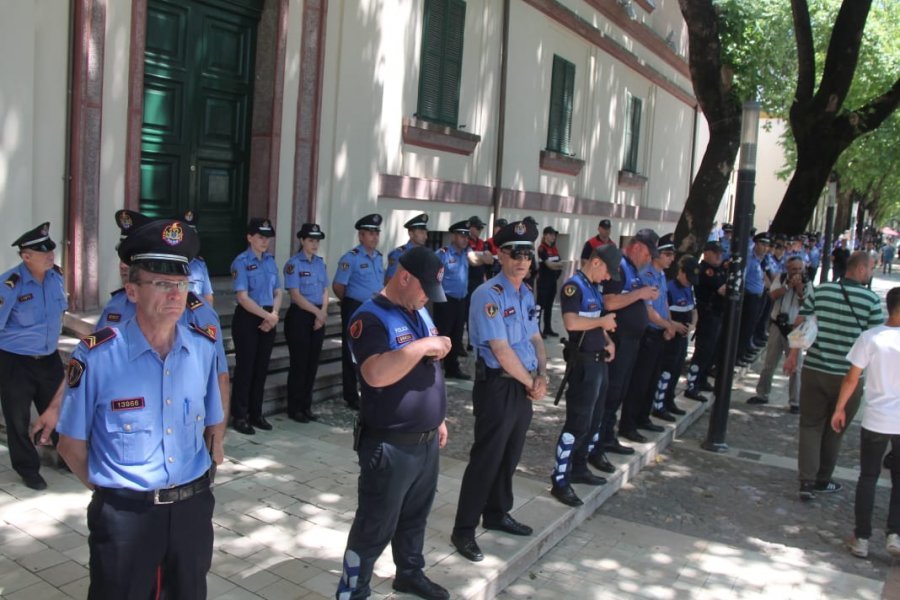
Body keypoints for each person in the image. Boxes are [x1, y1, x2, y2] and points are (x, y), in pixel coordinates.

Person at [55, 218, 224, 598]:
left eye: (181, 283)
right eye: (162, 283)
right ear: (131, 291)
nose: (175, 294)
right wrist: (118, 496)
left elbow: (213, 423)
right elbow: (70, 445)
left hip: (191, 510)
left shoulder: (202, 347)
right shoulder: (97, 356)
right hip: (126, 516)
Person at [336, 246, 451, 600]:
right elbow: (374, 373)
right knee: (374, 525)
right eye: (424, 289)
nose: (427, 299)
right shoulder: (368, 317)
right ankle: (352, 590)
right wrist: (421, 347)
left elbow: (430, 371)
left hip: (426, 440)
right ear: (404, 277)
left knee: (415, 516)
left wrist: (439, 417)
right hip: (390, 445)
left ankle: (409, 573)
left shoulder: (416, 309)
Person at [452, 219, 546, 563]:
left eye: (527, 254)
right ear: (500, 256)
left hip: (523, 385)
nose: (522, 260)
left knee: (511, 454)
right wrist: (530, 381)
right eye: (514, 253)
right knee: (487, 457)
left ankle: (497, 512)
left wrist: (542, 375)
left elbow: (535, 337)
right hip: (497, 387)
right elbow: (501, 350)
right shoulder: (487, 295)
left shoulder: (526, 293)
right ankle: (463, 529)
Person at [784, 251, 884, 501]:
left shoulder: (821, 291)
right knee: (835, 428)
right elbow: (876, 341)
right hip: (848, 377)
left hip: (815, 369)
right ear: (861, 269)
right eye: (870, 269)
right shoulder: (871, 301)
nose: (871, 273)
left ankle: (806, 480)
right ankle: (822, 479)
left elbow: (800, 321)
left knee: (810, 425)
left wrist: (793, 356)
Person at [549, 244, 619, 507]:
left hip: (599, 361)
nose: (609, 278)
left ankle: (579, 467)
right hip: (583, 365)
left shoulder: (593, 287)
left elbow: (597, 318)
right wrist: (601, 324)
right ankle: (560, 479)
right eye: (608, 271)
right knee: (577, 422)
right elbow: (571, 323)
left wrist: (606, 339)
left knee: (594, 419)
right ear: (597, 262)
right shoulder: (574, 286)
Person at [0, 222, 67, 490]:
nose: (51, 255)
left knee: (61, 410)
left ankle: (68, 458)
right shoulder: (10, 285)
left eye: (50, 249)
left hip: (49, 358)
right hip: (16, 361)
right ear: (26, 256)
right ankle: (28, 469)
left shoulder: (56, 277)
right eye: (43, 252)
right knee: (17, 418)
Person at [834, 287, 900, 559]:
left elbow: (852, 377)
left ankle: (861, 537)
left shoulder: (871, 338)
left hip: (875, 418)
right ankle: (895, 534)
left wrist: (840, 408)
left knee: (868, 477)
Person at [594, 230, 661, 455]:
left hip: (630, 341)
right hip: (618, 339)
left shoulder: (631, 269)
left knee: (620, 390)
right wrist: (640, 294)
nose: (649, 260)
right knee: (611, 391)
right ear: (638, 248)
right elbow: (610, 301)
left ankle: (608, 435)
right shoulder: (620, 267)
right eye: (648, 255)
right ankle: (600, 441)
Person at [618, 233, 681, 442]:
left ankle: (642, 417)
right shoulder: (645, 275)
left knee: (651, 379)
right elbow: (648, 310)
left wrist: (669, 324)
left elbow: (663, 305)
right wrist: (668, 325)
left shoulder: (661, 276)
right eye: (667, 254)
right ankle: (629, 424)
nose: (671, 259)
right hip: (649, 333)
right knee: (638, 381)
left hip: (660, 332)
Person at [230, 218, 282, 434]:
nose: (264, 241)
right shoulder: (240, 262)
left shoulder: (270, 261)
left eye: (267, 237)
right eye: (260, 237)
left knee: (261, 369)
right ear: (249, 237)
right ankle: (240, 416)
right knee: (246, 368)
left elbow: (278, 291)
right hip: (248, 318)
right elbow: (242, 297)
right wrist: (267, 316)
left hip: (269, 316)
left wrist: (274, 314)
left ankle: (256, 413)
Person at [747, 256, 813, 412]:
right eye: (793, 269)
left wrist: (799, 289)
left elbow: (808, 305)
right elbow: (772, 296)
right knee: (769, 362)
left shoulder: (808, 283)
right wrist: (788, 285)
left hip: (795, 328)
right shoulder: (781, 278)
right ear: (787, 269)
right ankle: (762, 393)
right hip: (777, 325)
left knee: (796, 366)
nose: (797, 272)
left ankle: (795, 401)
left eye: (799, 269)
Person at [333, 214, 384, 410]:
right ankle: (351, 395)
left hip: (375, 308)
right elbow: (338, 286)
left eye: (376, 233)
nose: (374, 237)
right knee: (351, 351)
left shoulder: (378, 258)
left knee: (372, 349)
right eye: (370, 233)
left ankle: (370, 389)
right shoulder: (350, 258)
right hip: (355, 307)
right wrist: (350, 302)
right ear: (361, 236)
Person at [284, 223, 329, 422]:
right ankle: (294, 408)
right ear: (302, 240)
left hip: (318, 315)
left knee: (312, 364)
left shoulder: (320, 263)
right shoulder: (294, 264)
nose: (314, 244)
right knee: (299, 364)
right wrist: (317, 313)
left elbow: (325, 290)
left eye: (317, 241)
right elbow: (295, 295)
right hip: (301, 316)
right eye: (310, 240)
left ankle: (306, 406)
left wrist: (323, 312)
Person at [434, 220, 487, 380]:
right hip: (445, 301)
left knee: (456, 336)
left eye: (467, 237)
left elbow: (478, 259)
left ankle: (452, 368)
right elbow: (434, 278)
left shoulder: (466, 254)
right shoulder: (443, 254)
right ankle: (435, 366)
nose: (465, 240)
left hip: (461, 300)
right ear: (453, 236)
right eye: (462, 236)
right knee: (442, 334)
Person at [651, 254, 699, 421]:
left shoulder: (689, 288)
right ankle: (659, 404)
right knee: (666, 371)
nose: (689, 281)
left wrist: (692, 324)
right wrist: (673, 325)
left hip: (683, 337)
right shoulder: (670, 287)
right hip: (671, 336)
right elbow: (664, 310)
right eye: (688, 277)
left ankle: (669, 400)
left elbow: (694, 310)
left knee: (677, 369)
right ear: (681, 272)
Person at [684, 241, 727, 402]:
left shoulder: (719, 270)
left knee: (712, 351)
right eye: (715, 252)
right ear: (706, 253)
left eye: (720, 253)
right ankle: (692, 384)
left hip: (717, 314)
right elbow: (723, 290)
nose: (719, 256)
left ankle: (701, 379)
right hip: (707, 316)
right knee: (702, 351)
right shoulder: (705, 271)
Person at [736, 232, 771, 366]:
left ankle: (743, 352)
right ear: (756, 244)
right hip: (749, 298)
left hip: (758, 297)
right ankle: (738, 355)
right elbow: (743, 279)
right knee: (745, 328)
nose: (765, 248)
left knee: (751, 328)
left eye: (767, 245)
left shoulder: (761, 260)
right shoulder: (750, 259)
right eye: (762, 244)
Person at [181, 210, 214, 304]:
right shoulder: (169, 264)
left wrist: (207, 317)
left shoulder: (199, 263)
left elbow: (208, 296)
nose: (189, 239)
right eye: (186, 235)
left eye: (192, 236)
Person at [537, 226, 565, 337]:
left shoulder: (554, 249)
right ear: (546, 235)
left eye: (554, 235)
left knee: (549, 307)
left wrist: (555, 266)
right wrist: (555, 265)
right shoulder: (542, 248)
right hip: (543, 282)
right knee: (540, 307)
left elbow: (560, 264)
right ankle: (536, 330)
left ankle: (547, 329)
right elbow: (549, 265)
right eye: (552, 234)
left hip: (553, 282)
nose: (554, 237)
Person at [385, 213, 429, 282]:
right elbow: (390, 280)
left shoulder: (426, 254)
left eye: (426, 233)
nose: (425, 237)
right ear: (411, 233)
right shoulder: (399, 254)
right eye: (421, 232)